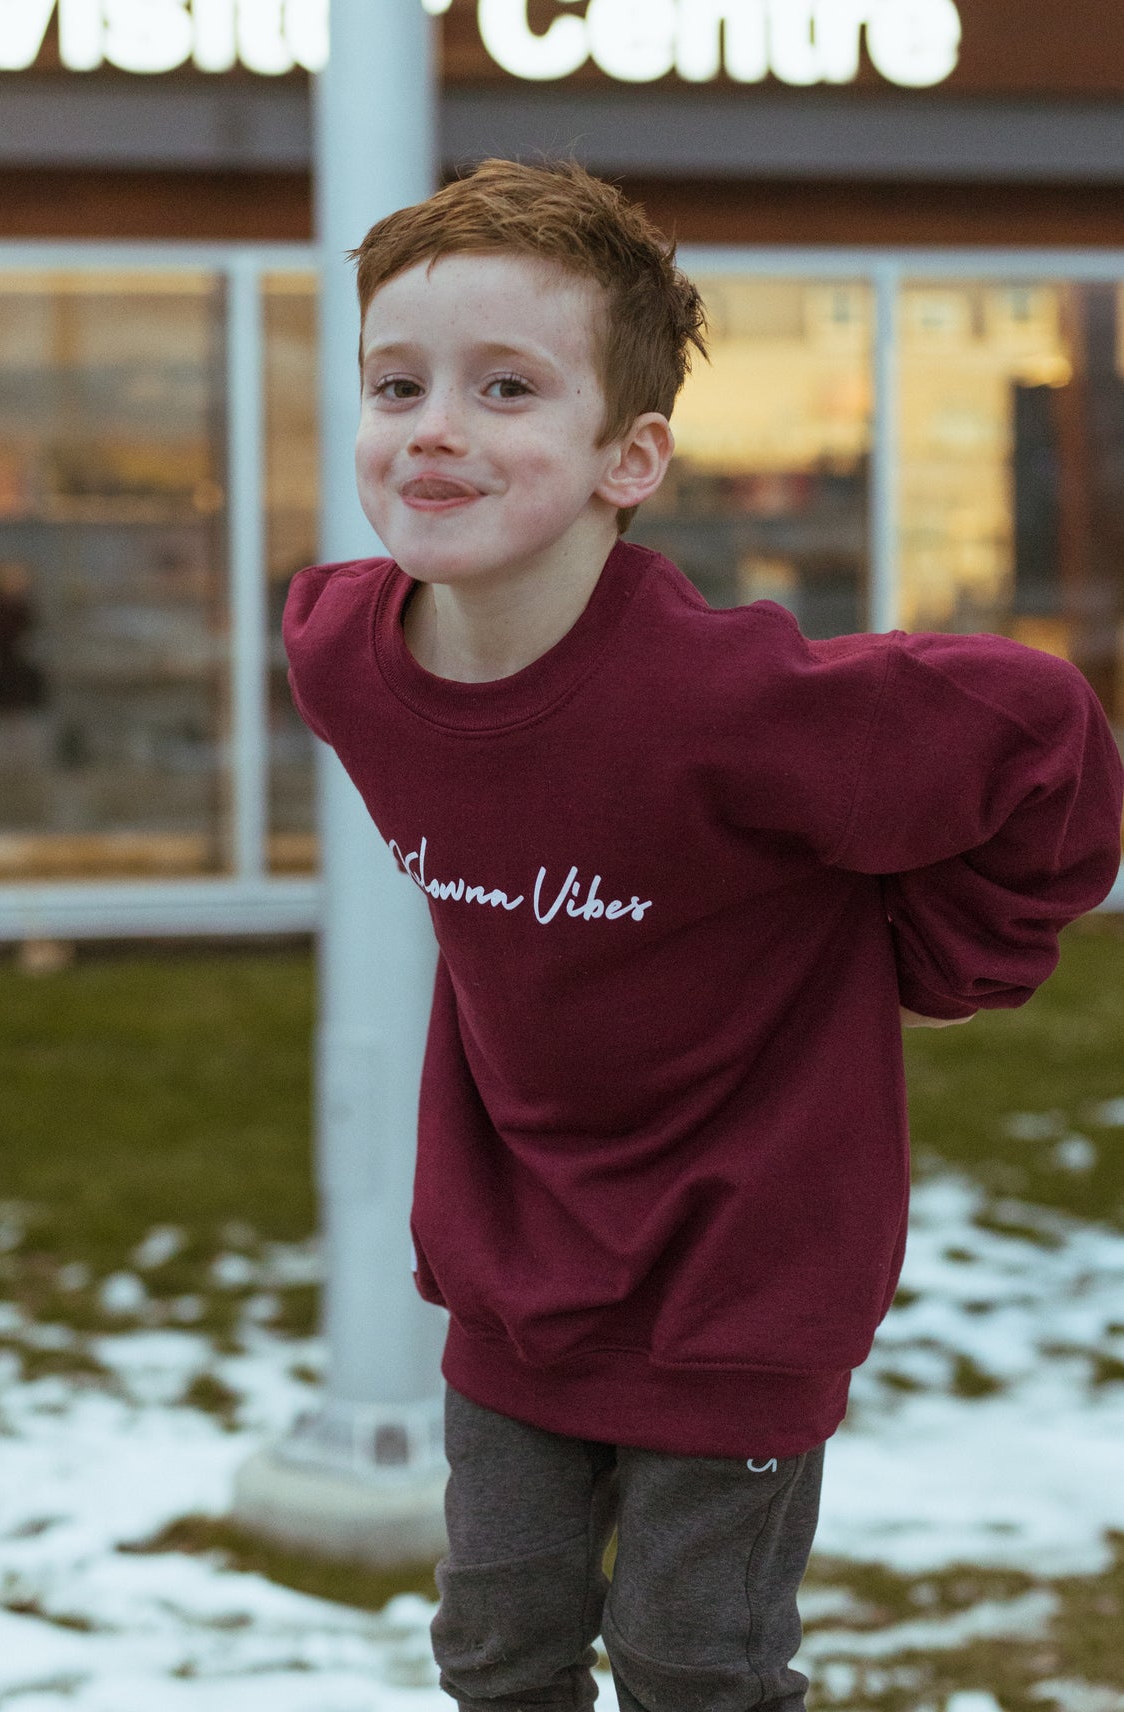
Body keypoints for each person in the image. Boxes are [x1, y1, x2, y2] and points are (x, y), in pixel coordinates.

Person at [282, 159, 1124, 1712]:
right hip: (517, 1263)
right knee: (494, 1651)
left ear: (629, 455)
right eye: (395, 383)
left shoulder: (735, 710)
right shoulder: (344, 655)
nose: (434, 427)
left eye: (507, 387)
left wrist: (936, 956)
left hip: (741, 1270)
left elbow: (1044, 735)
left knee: (692, 1663)